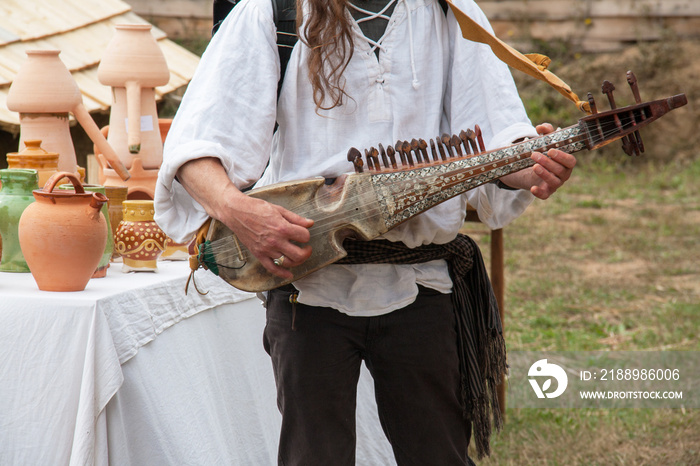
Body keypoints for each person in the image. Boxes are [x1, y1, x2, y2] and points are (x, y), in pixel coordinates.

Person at [154, 0, 576, 464]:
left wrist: (526, 165)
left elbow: (498, 131)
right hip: (308, 290)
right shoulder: (274, 12)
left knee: (438, 454)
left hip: (422, 283)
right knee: (315, 455)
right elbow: (195, 147)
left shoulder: (449, 11)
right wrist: (240, 211)